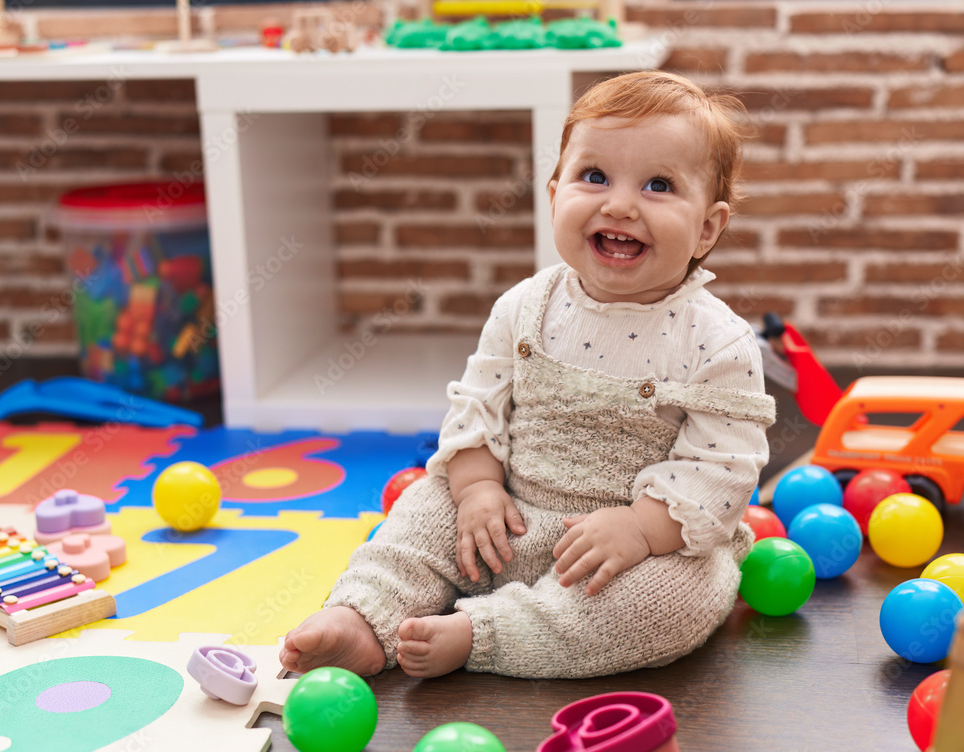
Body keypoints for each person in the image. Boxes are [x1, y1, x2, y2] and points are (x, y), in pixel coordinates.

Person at [280, 70, 776, 680]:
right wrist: (477, 487)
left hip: (626, 553)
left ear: (707, 227)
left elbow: (723, 469)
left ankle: (488, 633)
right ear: (553, 193)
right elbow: (477, 409)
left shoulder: (717, 339)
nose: (618, 204)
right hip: (505, 518)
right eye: (594, 176)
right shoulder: (525, 307)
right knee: (421, 511)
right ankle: (364, 615)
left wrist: (643, 529)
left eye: (658, 185)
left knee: (682, 595)